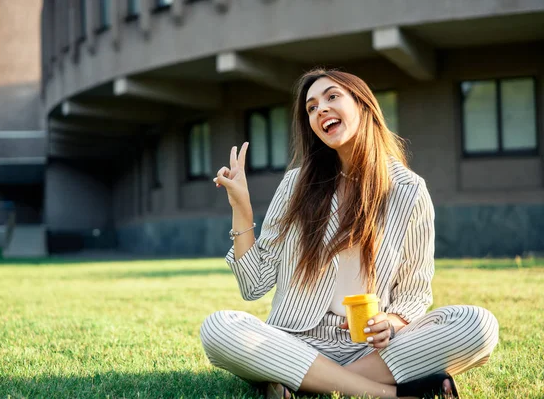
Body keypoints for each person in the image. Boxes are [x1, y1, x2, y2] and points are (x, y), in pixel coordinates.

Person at [200, 69, 499, 399]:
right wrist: (241, 206)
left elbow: (414, 293)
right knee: (219, 328)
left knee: (476, 324)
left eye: (331, 97)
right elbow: (254, 283)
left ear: (363, 105)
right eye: (311, 108)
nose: (320, 110)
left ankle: (305, 383)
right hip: (297, 342)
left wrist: (393, 322)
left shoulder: (409, 191)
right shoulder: (296, 185)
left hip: (371, 351)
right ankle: (393, 394)